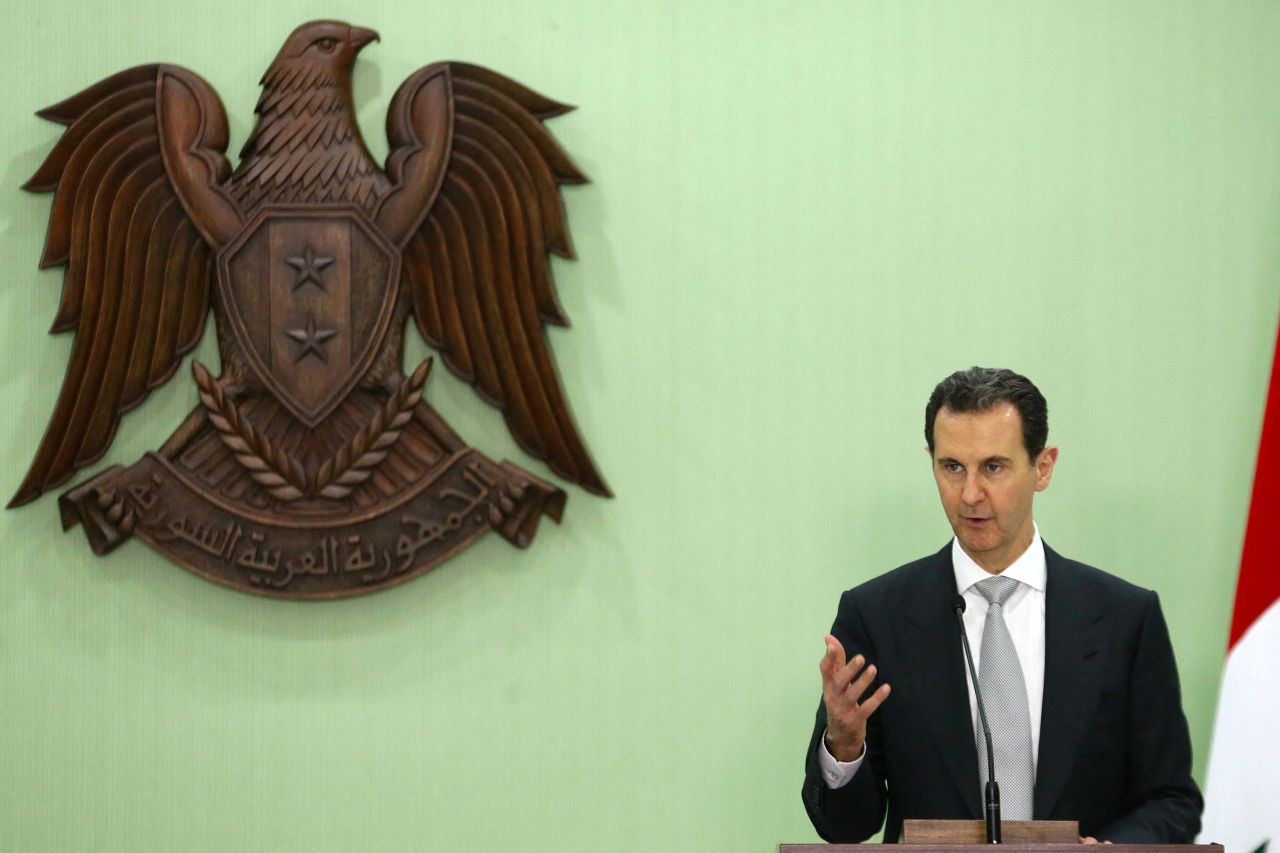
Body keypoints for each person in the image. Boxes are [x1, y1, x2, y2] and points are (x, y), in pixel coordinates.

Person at [802, 367, 1202, 844]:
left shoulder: (1125, 618)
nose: (970, 494)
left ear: (1043, 467)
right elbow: (845, 828)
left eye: (993, 467)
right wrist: (844, 747)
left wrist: (1112, 851)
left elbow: (1171, 800)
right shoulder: (875, 616)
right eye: (952, 467)